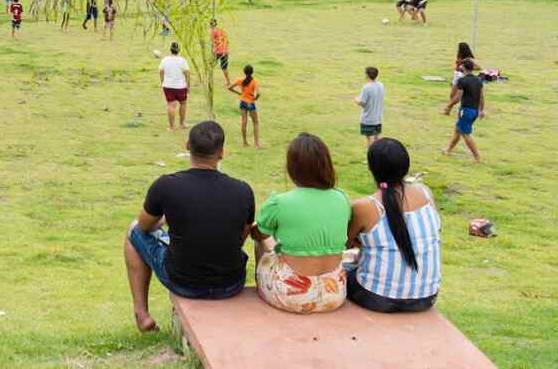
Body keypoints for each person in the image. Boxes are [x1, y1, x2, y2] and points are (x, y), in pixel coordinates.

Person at [124, 121, 254, 333]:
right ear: (221, 153)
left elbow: (144, 226)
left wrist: (166, 217)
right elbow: (240, 239)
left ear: (187, 145)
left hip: (183, 282)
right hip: (231, 283)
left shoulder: (165, 186)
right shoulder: (243, 190)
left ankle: (142, 313)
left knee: (132, 232)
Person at [250, 133, 350, 314]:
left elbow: (258, 235)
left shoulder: (279, 203)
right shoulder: (342, 198)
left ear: (292, 167)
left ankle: (262, 285)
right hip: (334, 293)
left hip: (292, 296)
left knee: (264, 241)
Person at [346, 138, 442, 312]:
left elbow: (345, 243)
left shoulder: (365, 206)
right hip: (427, 297)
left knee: (342, 269)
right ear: (406, 165)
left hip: (376, 297)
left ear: (370, 168)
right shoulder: (425, 193)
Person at [443, 58, 484, 161]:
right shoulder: (478, 80)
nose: (460, 66)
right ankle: (448, 150)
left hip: (466, 111)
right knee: (458, 130)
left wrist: (448, 106)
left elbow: (457, 98)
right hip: (474, 111)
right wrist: (481, 110)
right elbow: (482, 97)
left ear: (464, 67)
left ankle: (477, 156)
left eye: (461, 65)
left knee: (465, 134)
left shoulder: (462, 80)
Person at [226, 65, 262, 148]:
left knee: (244, 122)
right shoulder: (254, 81)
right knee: (255, 123)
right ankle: (256, 144)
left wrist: (239, 93)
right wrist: (255, 98)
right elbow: (258, 93)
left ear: (244, 72)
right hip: (250, 103)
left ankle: (245, 142)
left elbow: (229, 88)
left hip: (242, 102)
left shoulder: (240, 80)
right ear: (252, 72)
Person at [158, 42, 191, 131]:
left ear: (170, 50)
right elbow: (187, 73)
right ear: (179, 50)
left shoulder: (165, 60)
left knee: (171, 105)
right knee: (183, 103)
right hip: (180, 87)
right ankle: (182, 123)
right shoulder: (182, 60)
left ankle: (171, 127)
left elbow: (161, 71)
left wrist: (162, 81)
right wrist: (188, 86)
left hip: (168, 86)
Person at [356, 66, 385, 145]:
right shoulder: (381, 85)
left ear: (367, 75)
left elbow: (362, 103)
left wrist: (356, 100)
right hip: (378, 118)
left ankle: (372, 156)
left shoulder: (366, 87)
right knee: (377, 139)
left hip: (369, 119)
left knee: (371, 142)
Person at [210, 20, 230, 85]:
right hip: (225, 51)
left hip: (218, 51)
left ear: (211, 25)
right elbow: (227, 41)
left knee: (211, 65)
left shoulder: (213, 32)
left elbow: (213, 42)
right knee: (224, 67)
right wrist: (226, 50)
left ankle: (209, 80)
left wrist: (213, 51)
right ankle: (228, 81)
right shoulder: (222, 30)